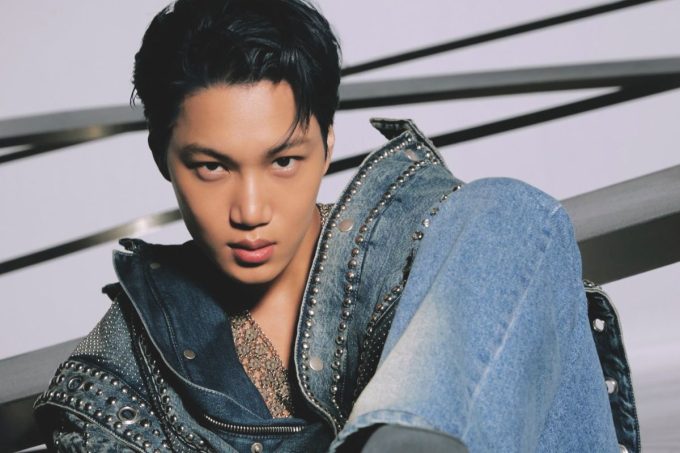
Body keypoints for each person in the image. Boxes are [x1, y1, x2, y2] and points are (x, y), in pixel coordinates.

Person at [34, 0, 630, 451]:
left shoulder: (436, 246)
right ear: (163, 158)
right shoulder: (115, 387)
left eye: (283, 162)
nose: (250, 210)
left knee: (507, 210)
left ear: (327, 146)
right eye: (212, 167)